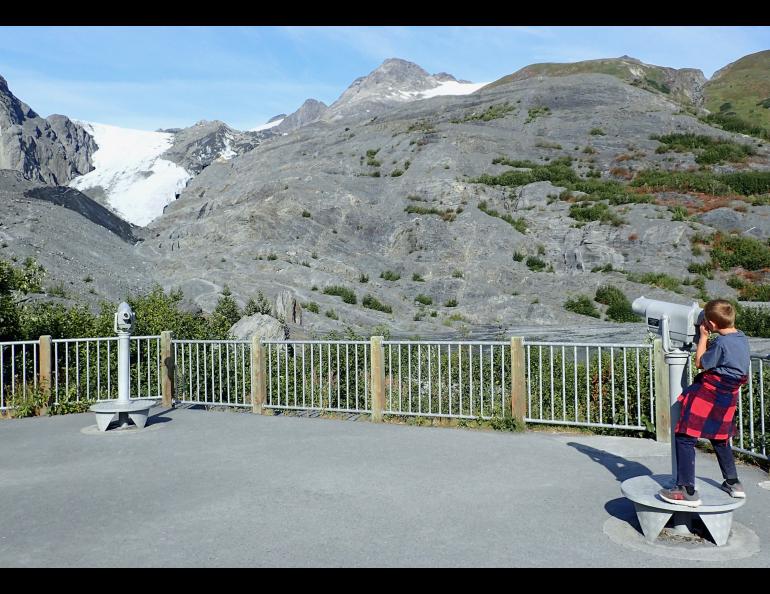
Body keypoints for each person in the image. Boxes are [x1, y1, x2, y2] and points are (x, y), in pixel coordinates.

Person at [658, 299, 750, 507]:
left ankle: (685, 490)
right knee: (720, 438)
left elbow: (700, 363)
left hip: (709, 393)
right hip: (728, 396)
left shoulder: (720, 343)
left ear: (712, 325)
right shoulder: (742, 338)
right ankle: (733, 483)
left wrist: (704, 337)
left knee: (685, 436)